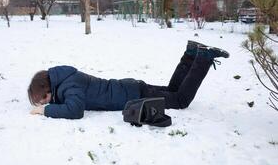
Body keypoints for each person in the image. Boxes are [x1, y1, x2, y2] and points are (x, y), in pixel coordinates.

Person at [28, 41, 229, 119]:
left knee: (180, 100)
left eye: (43, 100)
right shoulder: (66, 78)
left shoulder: (70, 87)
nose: (45, 102)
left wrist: (46, 111)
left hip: (134, 94)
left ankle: (202, 58)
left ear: (47, 89)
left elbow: (75, 110)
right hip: (131, 88)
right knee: (172, 91)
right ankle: (191, 53)